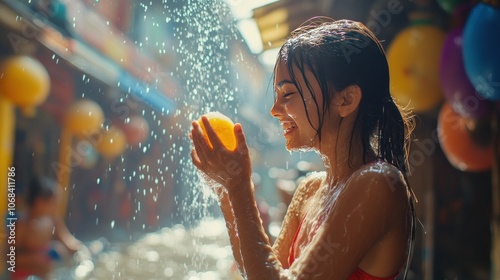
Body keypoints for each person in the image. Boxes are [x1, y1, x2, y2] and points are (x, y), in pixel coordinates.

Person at [190, 18, 416, 280]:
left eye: (287, 94)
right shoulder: (310, 189)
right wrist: (227, 191)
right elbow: (260, 270)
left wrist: (239, 188)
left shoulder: (378, 182)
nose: (274, 110)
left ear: (346, 100)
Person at [12, 176, 84, 280]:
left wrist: (82, 249)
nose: (56, 206)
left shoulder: (53, 221)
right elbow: (8, 257)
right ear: (39, 202)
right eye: (53, 202)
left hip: (46, 276)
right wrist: (37, 258)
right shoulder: (21, 225)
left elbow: (69, 243)